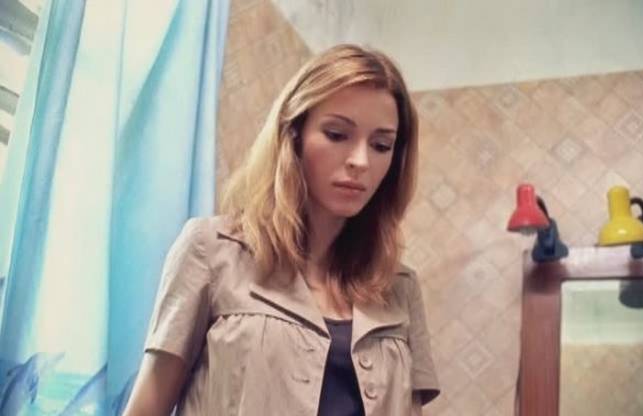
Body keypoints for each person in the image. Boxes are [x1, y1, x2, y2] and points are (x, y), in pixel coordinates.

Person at [123, 44, 440, 416]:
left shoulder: (398, 286)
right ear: (294, 135)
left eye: (381, 145)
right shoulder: (211, 250)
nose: (360, 161)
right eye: (337, 134)